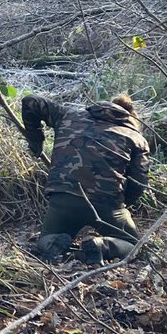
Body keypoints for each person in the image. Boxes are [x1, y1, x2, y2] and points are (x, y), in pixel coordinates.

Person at [21, 93, 150, 262]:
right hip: (106, 204)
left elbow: (30, 101)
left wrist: (36, 141)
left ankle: (54, 243)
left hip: (63, 197)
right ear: (132, 117)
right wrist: (123, 205)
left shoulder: (68, 114)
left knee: (46, 238)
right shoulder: (136, 138)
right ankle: (101, 245)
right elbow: (139, 182)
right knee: (133, 245)